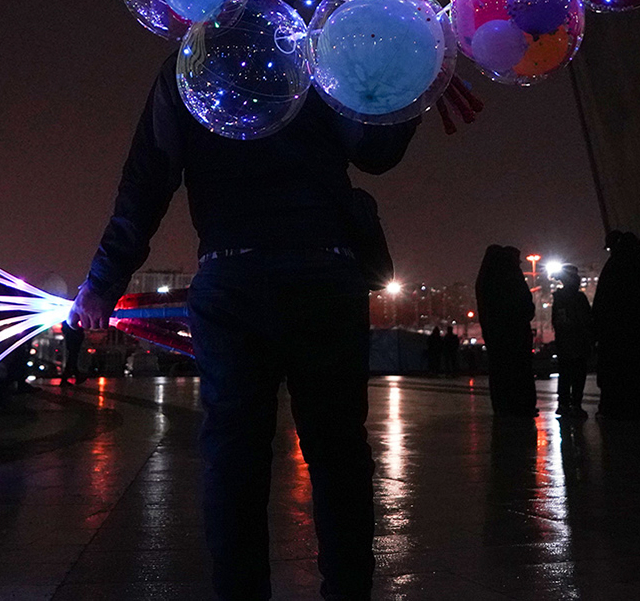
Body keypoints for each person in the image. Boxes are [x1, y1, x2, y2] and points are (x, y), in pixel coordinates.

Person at [72, 56, 419, 601]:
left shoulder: (191, 63)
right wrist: (413, 75)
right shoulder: (318, 48)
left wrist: (102, 282)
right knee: (338, 454)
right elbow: (377, 151)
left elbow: (148, 179)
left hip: (231, 277)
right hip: (323, 275)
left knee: (234, 459)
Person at [594, 231, 640, 419]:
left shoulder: (615, 267)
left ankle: (618, 407)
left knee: (617, 373)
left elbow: (602, 302)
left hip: (617, 334)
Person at [476, 245, 537, 416]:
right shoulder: (511, 277)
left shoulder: (485, 280)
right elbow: (525, 306)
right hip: (516, 335)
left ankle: (503, 406)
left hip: (495, 335)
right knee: (519, 371)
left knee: (499, 372)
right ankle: (522, 405)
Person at [552, 265, 594, 418]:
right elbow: (587, 320)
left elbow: (557, 322)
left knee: (565, 374)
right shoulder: (579, 298)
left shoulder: (559, 298)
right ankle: (575, 404)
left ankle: (564, 404)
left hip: (565, 342)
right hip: (578, 341)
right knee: (578, 375)